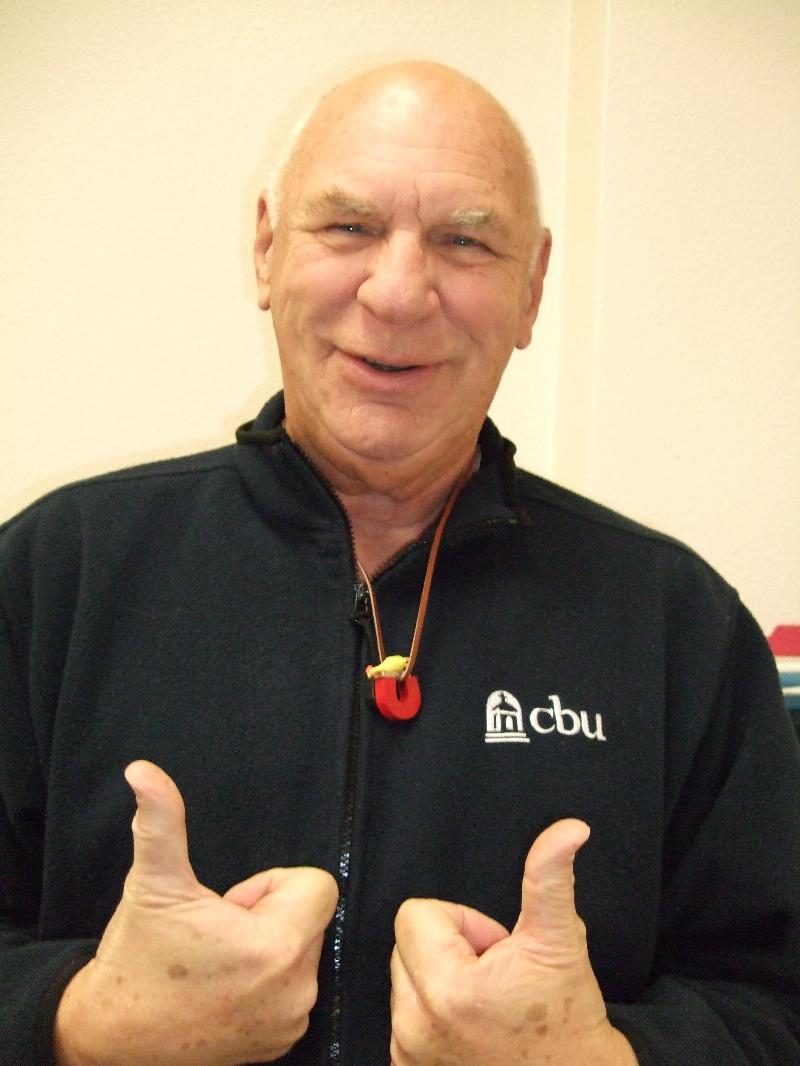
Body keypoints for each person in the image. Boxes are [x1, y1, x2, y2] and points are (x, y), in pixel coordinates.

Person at [1, 60, 798, 1066]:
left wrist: (597, 1058)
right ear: (265, 249)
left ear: (531, 287)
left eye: (465, 240)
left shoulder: (676, 622)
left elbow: (772, 1004)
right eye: (348, 226)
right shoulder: (59, 575)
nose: (396, 292)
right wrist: (79, 1021)